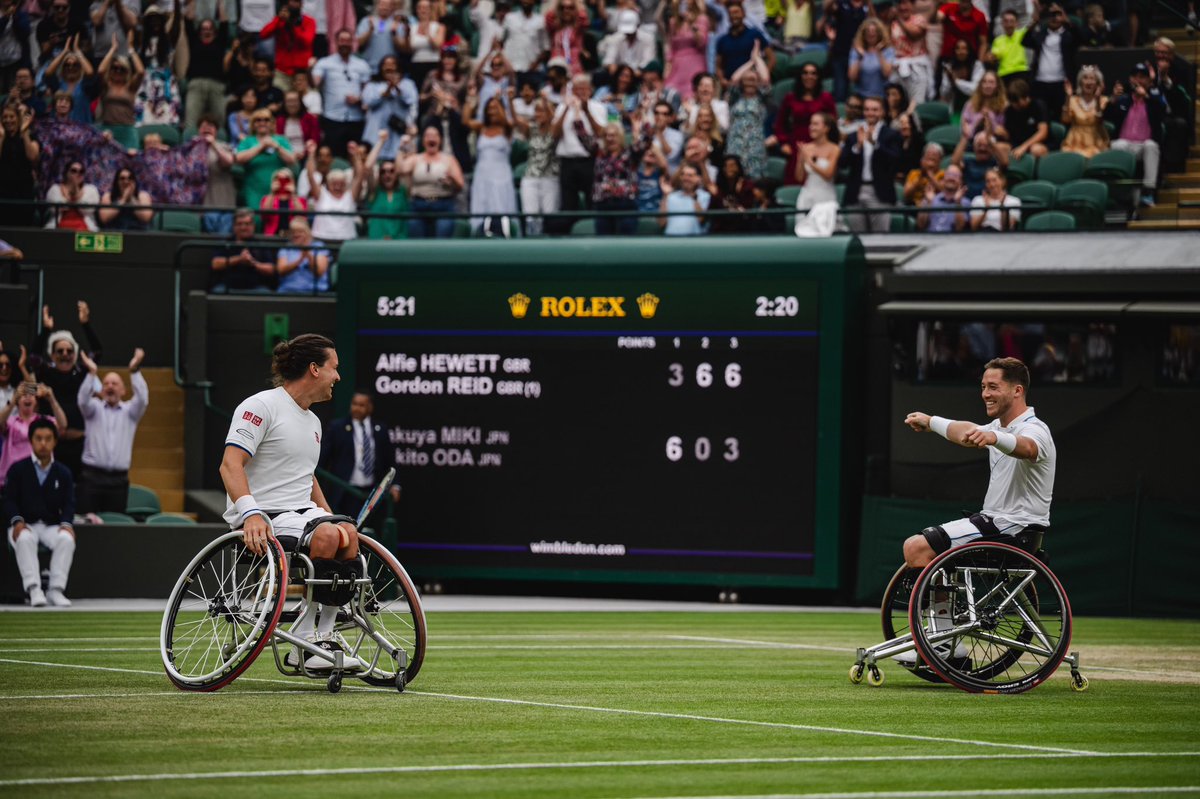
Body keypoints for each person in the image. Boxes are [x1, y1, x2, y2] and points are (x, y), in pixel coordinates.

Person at [221, 333, 366, 670]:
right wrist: (251, 513)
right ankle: (309, 643)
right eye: (334, 368)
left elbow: (306, 476)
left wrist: (332, 515)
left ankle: (320, 637)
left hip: (302, 515)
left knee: (347, 533)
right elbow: (230, 465)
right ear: (314, 369)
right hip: (264, 514)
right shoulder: (260, 406)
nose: (338, 377)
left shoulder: (314, 421)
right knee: (330, 535)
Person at [900, 356, 1055, 571]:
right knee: (920, 547)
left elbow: (1028, 448)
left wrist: (994, 438)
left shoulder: (1035, 429)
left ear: (1017, 391)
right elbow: (966, 431)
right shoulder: (998, 427)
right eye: (983, 387)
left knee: (916, 548)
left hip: (1012, 529)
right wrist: (931, 422)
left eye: (993, 387)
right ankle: (946, 603)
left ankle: (942, 607)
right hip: (995, 524)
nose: (985, 394)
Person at [3, 418, 75, 607]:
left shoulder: (63, 472)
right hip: (24, 525)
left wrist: (66, 524)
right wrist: (17, 521)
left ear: (55, 441)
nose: (43, 443)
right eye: (38, 438)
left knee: (66, 539)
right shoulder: (18, 469)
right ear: (31, 440)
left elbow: (69, 503)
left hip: (50, 526)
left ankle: (55, 590)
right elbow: (8, 501)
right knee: (24, 539)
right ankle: (34, 589)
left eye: (48, 438)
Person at [75, 347, 146, 514]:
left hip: (118, 481)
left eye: (115, 383)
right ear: (101, 390)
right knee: (89, 525)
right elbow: (82, 400)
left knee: (115, 527)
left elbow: (142, 399)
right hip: (92, 478)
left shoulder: (130, 413)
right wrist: (92, 373)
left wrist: (134, 371)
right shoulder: (93, 409)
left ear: (123, 390)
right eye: (106, 383)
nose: (110, 386)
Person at [317, 389, 400, 528]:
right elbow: (322, 460)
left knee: (371, 532)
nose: (357, 408)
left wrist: (395, 485)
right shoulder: (337, 427)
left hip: (372, 492)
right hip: (346, 491)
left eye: (362, 405)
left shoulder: (380, 429)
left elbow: (389, 460)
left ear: (370, 407)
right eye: (354, 404)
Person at [1105, 62, 1166, 207]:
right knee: (1117, 144)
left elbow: (1163, 112)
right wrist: (1112, 99)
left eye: (1142, 77)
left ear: (1148, 81)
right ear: (1130, 79)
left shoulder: (1154, 100)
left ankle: (1149, 191)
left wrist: (1147, 96)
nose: (1138, 80)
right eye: (1135, 77)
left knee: (1152, 146)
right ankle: (1119, 191)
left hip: (1143, 146)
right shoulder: (1123, 100)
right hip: (1125, 144)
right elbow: (1106, 117)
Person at [553, 72, 608, 232]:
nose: (581, 92)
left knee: (592, 201)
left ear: (591, 90)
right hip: (567, 161)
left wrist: (586, 111)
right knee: (568, 204)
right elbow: (554, 134)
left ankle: (592, 232)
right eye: (578, 89)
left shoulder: (598, 107)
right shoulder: (563, 106)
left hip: (589, 161)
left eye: (585, 89)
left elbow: (602, 133)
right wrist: (565, 109)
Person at [841, 95, 900, 232]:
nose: (870, 113)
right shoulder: (853, 135)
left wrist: (875, 145)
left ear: (882, 112)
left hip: (879, 192)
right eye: (867, 109)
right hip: (856, 191)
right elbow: (843, 163)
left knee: (881, 238)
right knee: (858, 237)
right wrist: (857, 147)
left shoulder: (891, 134)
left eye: (874, 110)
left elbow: (895, 160)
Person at [463, 91, 519, 236]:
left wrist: (501, 99)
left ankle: (506, 237)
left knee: (501, 207)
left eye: (495, 108)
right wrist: (472, 98)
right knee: (481, 207)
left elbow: (512, 120)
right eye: (489, 108)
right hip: (482, 175)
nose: (492, 111)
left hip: (501, 175)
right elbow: (465, 120)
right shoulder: (481, 128)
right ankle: (478, 237)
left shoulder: (506, 129)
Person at [311, 28, 371, 157]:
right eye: (342, 40)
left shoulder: (362, 65)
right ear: (336, 42)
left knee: (356, 156)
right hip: (332, 118)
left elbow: (368, 91)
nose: (345, 44)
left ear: (353, 42)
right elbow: (314, 84)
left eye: (348, 41)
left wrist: (359, 99)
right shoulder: (325, 63)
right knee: (333, 156)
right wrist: (309, 69)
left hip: (356, 119)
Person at [774, 60, 836, 185]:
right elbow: (780, 124)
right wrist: (783, 143)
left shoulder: (826, 98)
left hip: (820, 144)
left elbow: (832, 123)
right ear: (800, 76)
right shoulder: (790, 98)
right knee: (796, 180)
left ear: (818, 77)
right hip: (797, 144)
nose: (809, 77)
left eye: (813, 73)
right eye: (805, 73)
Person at [400, 124, 466, 238]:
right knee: (415, 236)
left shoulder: (449, 159)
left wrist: (452, 180)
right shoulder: (416, 158)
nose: (432, 138)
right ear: (423, 140)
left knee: (443, 237)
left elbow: (460, 185)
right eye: (428, 135)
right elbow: (400, 169)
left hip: (444, 205)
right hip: (419, 205)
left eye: (435, 135)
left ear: (440, 140)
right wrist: (402, 146)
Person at [0, 382, 68, 491]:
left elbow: (63, 425)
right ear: (18, 401)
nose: (27, 397)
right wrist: (12, 400)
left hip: (40, 478)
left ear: (36, 401)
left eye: (31, 394)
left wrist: (52, 399)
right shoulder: (11, 421)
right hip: (13, 479)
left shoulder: (44, 421)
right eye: (23, 394)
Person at [1024, 1, 1079, 122]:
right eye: (1051, 14)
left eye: (1057, 14)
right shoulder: (1041, 34)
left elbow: (1080, 38)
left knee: (1061, 116)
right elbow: (1025, 41)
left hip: (1061, 83)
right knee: (1040, 116)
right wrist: (1035, 21)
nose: (1054, 18)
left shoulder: (1069, 35)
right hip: (1040, 82)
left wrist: (1066, 19)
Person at [514, 95, 561, 236]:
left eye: (542, 111)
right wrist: (510, 100)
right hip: (530, 178)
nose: (538, 114)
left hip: (550, 178)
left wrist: (547, 102)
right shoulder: (532, 129)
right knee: (530, 216)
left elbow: (556, 121)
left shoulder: (555, 129)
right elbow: (515, 119)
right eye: (536, 111)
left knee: (550, 216)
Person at [180, 0, 230, 133]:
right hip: (196, 84)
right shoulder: (194, 41)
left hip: (217, 85)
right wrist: (193, 2)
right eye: (203, 28)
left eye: (210, 28)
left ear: (215, 31)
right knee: (191, 120)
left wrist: (220, 4)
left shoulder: (220, 42)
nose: (206, 31)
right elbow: (188, 20)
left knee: (220, 119)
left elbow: (224, 22)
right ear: (199, 31)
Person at [236, 109, 299, 213]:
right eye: (258, 120)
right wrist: (261, 146)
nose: (262, 123)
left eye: (266, 120)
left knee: (275, 222)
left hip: (278, 191)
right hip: (254, 191)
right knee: (256, 219)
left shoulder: (280, 140)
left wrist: (277, 147)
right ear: (253, 124)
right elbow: (239, 158)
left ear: (272, 123)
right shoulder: (248, 141)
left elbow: (292, 159)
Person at [361, 55, 418, 161]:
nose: (389, 69)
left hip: (399, 131)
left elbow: (411, 100)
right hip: (376, 131)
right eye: (386, 66)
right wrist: (386, 91)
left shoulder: (407, 84)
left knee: (400, 159)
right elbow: (367, 102)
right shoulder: (372, 85)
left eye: (392, 66)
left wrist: (397, 87)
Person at [306, 140, 365, 242]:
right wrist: (311, 154)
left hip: (346, 240)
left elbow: (359, 177)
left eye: (341, 183)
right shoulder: (322, 194)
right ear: (328, 184)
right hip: (322, 239)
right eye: (334, 183)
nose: (337, 186)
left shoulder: (349, 196)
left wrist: (355, 155)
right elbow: (311, 176)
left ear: (345, 185)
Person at [210, 208, 278, 292]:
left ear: (253, 226)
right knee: (217, 291)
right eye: (239, 224)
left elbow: (271, 269)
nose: (243, 227)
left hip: (256, 288)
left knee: (266, 293)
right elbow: (215, 264)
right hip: (228, 287)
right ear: (233, 226)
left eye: (247, 224)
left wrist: (253, 263)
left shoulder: (261, 245)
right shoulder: (226, 243)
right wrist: (238, 259)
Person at [714, 1, 774, 89]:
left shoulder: (755, 34)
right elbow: (718, 66)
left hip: (753, 85)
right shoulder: (723, 40)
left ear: (744, 14)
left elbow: (771, 58)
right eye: (730, 13)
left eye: (736, 12)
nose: (733, 16)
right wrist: (722, 80)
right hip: (732, 85)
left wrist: (763, 77)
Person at [260, 0, 317, 91]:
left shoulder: (309, 21)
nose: (294, 4)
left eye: (296, 1)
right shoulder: (280, 21)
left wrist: (292, 25)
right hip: (283, 71)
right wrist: (278, 19)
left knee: (307, 101)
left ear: (301, 4)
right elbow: (263, 34)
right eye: (291, 1)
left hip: (302, 72)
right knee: (279, 99)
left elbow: (306, 41)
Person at [823, 0, 873, 101]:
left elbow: (873, 21)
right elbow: (827, 9)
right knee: (840, 91)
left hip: (860, 54)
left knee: (862, 91)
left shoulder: (865, 6)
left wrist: (868, 3)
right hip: (840, 54)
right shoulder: (842, 3)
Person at [362, 132, 409, 240]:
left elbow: (402, 169)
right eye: (383, 171)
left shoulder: (403, 192)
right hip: (376, 242)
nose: (387, 174)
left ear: (396, 175)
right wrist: (381, 142)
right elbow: (368, 167)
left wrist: (401, 147)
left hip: (399, 242)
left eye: (391, 171)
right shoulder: (375, 192)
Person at [0, 103, 38, 228]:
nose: (8, 120)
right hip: (3, 193)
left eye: (12, 116)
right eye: (5, 117)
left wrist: (24, 132)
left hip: (24, 193)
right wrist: (1, 138)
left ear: (18, 118)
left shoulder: (30, 135)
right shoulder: (1, 137)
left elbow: (32, 157)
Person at [1060, 64, 1108, 158]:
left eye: (1092, 79)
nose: (1089, 82)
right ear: (1080, 82)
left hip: (1095, 141)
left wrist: (1097, 101)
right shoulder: (1073, 100)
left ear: (1097, 83)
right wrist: (1068, 98)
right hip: (1074, 141)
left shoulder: (1103, 100)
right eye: (1085, 78)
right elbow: (1065, 120)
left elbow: (1099, 121)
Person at [664, 0, 709, 99]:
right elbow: (671, 47)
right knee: (670, 91)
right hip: (677, 65)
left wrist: (693, 25)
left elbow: (702, 43)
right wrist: (667, 67)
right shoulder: (673, 22)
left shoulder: (701, 19)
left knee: (693, 93)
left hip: (695, 63)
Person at [795, 111, 840, 209]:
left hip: (825, 197)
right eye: (811, 124)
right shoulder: (806, 148)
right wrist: (800, 157)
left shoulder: (834, 149)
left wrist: (810, 161)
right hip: (807, 195)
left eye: (816, 124)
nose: (811, 127)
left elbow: (828, 175)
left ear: (826, 128)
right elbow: (799, 177)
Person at [711, 154, 766, 233]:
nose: (729, 168)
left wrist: (739, 192)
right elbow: (713, 209)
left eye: (732, 165)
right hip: (722, 228)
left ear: (738, 168)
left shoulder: (747, 185)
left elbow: (748, 210)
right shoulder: (718, 186)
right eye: (726, 166)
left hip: (743, 228)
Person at [889, 0, 930, 104]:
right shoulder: (893, 23)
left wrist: (898, 18)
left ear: (912, 5)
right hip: (898, 67)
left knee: (917, 102)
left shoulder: (919, 19)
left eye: (905, 3)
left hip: (916, 67)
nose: (902, 7)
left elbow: (914, 36)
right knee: (898, 102)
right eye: (900, 3)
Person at [276, 217, 331, 293]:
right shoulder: (286, 248)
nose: (296, 235)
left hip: (315, 291)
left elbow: (319, 272)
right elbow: (281, 270)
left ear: (307, 232)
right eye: (293, 232)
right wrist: (299, 260)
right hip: (289, 290)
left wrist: (308, 255)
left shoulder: (319, 246)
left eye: (300, 231)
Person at [44, 161, 100, 232]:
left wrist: (76, 191)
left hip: (85, 229)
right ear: (66, 173)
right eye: (74, 171)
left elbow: (88, 209)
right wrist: (70, 196)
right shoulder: (55, 188)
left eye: (81, 171)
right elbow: (53, 209)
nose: (78, 174)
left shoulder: (91, 189)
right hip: (58, 228)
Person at [849, 17, 895, 100]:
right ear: (863, 34)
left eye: (874, 31)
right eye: (868, 31)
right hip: (861, 96)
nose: (871, 34)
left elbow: (887, 74)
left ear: (879, 33)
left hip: (882, 97)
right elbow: (852, 77)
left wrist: (879, 53)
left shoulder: (888, 50)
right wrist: (860, 58)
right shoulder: (857, 50)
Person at [1003, 79, 1049, 160]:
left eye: (1017, 102)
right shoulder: (1009, 110)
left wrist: (1024, 146)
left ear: (1026, 97)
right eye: (1013, 102)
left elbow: (1043, 132)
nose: (1015, 105)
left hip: (1036, 143)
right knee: (999, 147)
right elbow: (1008, 135)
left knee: (1036, 150)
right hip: (1016, 143)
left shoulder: (1038, 106)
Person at [659, 162, 711, 235]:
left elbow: (700, 219)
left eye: (690, 175)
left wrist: (694, 196)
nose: (685, 178)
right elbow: (662, 223)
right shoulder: (671, 196)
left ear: (698, 178)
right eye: (683, 175)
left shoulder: (704, 196)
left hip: (693, 241)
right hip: (670, 240)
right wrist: (665, 196)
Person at [916, 162, 969, 231]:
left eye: (956, 176)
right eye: (949, 174)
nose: (951, 178)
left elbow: (960, 228)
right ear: (943, 179)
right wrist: (929, 203)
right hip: (929, 239)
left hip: (953, 240)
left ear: (961, 181)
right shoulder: (931, 198)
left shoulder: (965, 203)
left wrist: (958, 203)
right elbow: (920, 225)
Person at [97, 167, 153, 231]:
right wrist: (123, 199)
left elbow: (146, 218)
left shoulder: (142, 195)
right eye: (122, 178)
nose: (126, 181)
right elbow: (104, 218)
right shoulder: (108, 196)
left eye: (130, 178)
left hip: (137, 233)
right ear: (117, 181)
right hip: (114, 233)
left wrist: (131, 198)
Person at [986, 9, 1029, 90]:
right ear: (1002, 23)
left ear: (1016, 23)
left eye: (1012, 21)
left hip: (1021, 71)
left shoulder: (1022, 34)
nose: (1009, 24)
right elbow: (995, 56)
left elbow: (1033, 22)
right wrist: (991, 57)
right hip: (1004, 74)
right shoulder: (998, 40)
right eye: (1006, 21)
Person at [259, 167, 308, 237]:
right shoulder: (267, 199)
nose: (282, 182)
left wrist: (293, 194)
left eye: (286, 180)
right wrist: (272, 193)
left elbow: (301, 217)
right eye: (279, 179)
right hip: (273, 236)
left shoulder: (300, 200)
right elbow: (265, 216)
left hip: (293, 237)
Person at [970, 166, 1020, 230]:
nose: (992, 184)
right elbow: (974, 227)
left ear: (1002, 181)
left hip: (1002, 237)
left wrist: (1002, 207)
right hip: (982, 236)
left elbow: (1007, 228)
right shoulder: (977, 200)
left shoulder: (1014, 201)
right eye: (988, 181)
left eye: (994, 180)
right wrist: (986, 209)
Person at [277, 89, 322, 153]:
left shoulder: (310, 119)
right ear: (284, 103)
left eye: (295, 101)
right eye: (289, 101)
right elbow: (279, 142)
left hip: (306, 155)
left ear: (300, 102)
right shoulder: (280, 121)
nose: (292, 104)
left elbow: (315, 140)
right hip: (286, 156)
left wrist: (303, 153)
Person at [903, 141, 943, 205]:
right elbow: (906, 194)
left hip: (935, 206)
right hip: (914, 206)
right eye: (928, 158)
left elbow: (943, 192)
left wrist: (929, 175)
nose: (930, 163)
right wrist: (920, 177)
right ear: (922, 159)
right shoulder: (914, 173)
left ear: (940, 161)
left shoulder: (943, 174)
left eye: (933, 159)